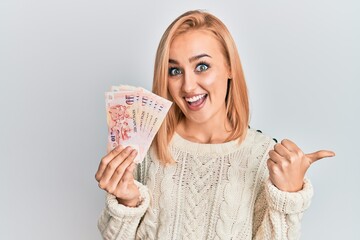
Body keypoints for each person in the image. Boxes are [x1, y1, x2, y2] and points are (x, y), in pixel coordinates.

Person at [95, 10, 335, 240]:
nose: (188, 86)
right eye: (175, 70)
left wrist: (288, 198)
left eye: (202, 66)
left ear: (230, 67)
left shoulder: (264, 158)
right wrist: (127, 203)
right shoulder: (145, 146)